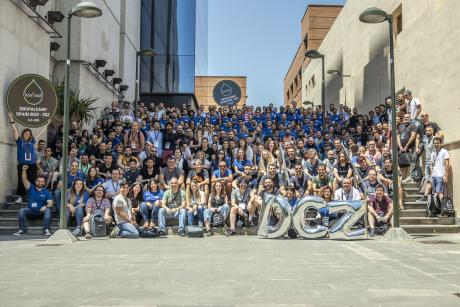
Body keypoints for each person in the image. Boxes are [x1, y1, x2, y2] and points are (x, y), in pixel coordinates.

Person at [13, 165, 53, 236]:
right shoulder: (31, 188)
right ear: (35, 182)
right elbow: (24, 180)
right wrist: (24, 170)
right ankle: (22, 229)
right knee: (22, 210)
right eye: (38, 181)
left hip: (41, 212)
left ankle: (46, 229)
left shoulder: (46, 192)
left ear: (44, 183)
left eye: (42, 181)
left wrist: (45, 206)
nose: (40, 183)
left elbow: (50, 203)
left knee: (48, 210)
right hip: (31, 211)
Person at [9, 113, 38, 204]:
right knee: (21, 180)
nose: (27, 134)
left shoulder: (32, 142)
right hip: (22, 164)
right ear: (23, 134)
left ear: (30, 135)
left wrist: (47, 125)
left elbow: (39, 134)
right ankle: (20, 197)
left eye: (29, 134)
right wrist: (11, 118)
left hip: (32, 164)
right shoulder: (19, 141)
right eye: (26, 133)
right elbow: (14, 129)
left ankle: (31, 196)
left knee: (32, 180)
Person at [430, 137, 450, 209]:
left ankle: (445, 210)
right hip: (434, 176)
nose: (436, 144)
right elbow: (432, 164)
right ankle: (440, 210)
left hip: (440, 175)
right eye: (434, 143)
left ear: (440, 143)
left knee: (440, 192)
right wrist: (431, 175)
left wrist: (446, 175)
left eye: (437, 143)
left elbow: (447, 164)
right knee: (436, 193)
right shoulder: (433, 153)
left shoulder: (444, 151)